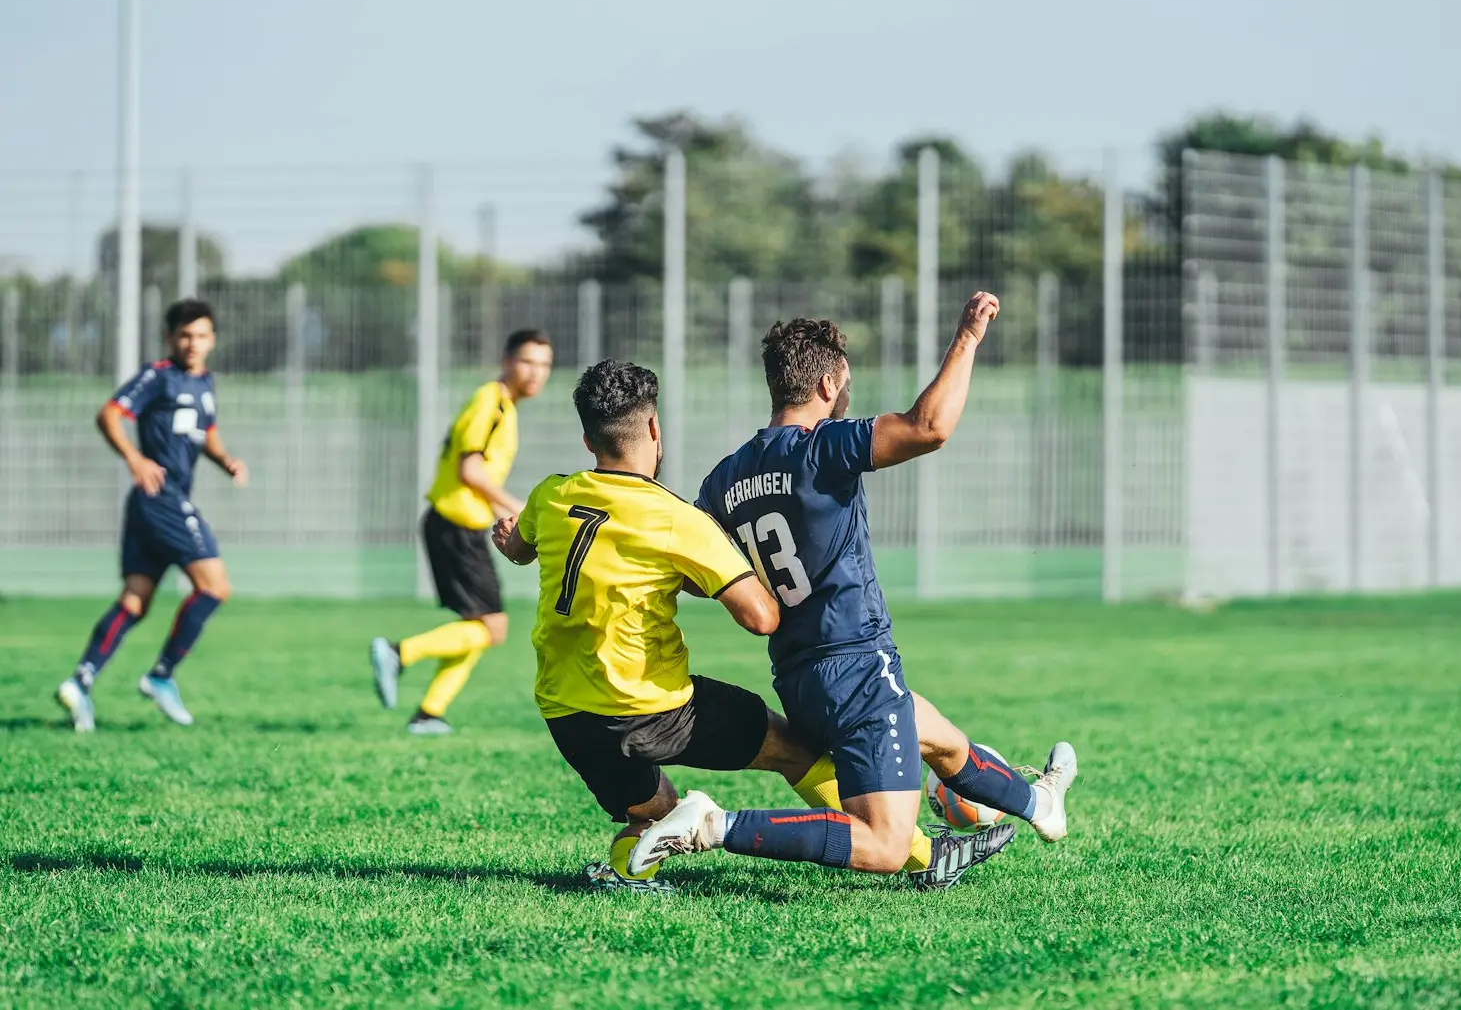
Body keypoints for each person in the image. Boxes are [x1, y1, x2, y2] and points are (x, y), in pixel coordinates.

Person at [493, 360, 1013, 892]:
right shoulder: (675, 519)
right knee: (794, 752)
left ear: (586, 439)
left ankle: (627, 870)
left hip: (568, 715)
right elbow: (761, 618)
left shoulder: (550, 496)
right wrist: (735, 572)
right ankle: (921, 857)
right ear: (653, 428)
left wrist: (507, 536)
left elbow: (517, 547)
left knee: (652, 813)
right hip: (652, 708)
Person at [631, 292, 1077, 879]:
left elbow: (693, 576)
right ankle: (714, 825)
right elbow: (929, 427)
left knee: (943, 742)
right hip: (858, 665)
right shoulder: (822, 448)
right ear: (825, 385)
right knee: (886, 846)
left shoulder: (725, 477)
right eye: (845, 384)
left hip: (798, 675)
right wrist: (967, 338)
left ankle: (1040, 803)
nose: (848, 397)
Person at [55, 299, 247, 732]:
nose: (192, 343)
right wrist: (134, 459)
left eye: (200, 335)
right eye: (184, 335)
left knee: (135, 601)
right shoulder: (157, 376)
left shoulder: (205, 384)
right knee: (215, 587)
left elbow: (208, 436)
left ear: (212, 339)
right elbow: (108, 414)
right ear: (169, 337)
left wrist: (227, 461)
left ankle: (80, 680)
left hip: (151, 505)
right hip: (162, 498)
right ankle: (162, 675)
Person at [369, 329, 552, 735]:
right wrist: (517, 507)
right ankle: (398, 654)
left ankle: (429, 713)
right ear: (507, 361)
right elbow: (469, 471)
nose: (536, 372)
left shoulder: (504, 406)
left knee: (480, 628)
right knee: (493, 627)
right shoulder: (492, 402)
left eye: (544, 365)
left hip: (461, 526)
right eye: (528, 361)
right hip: (454, 525)